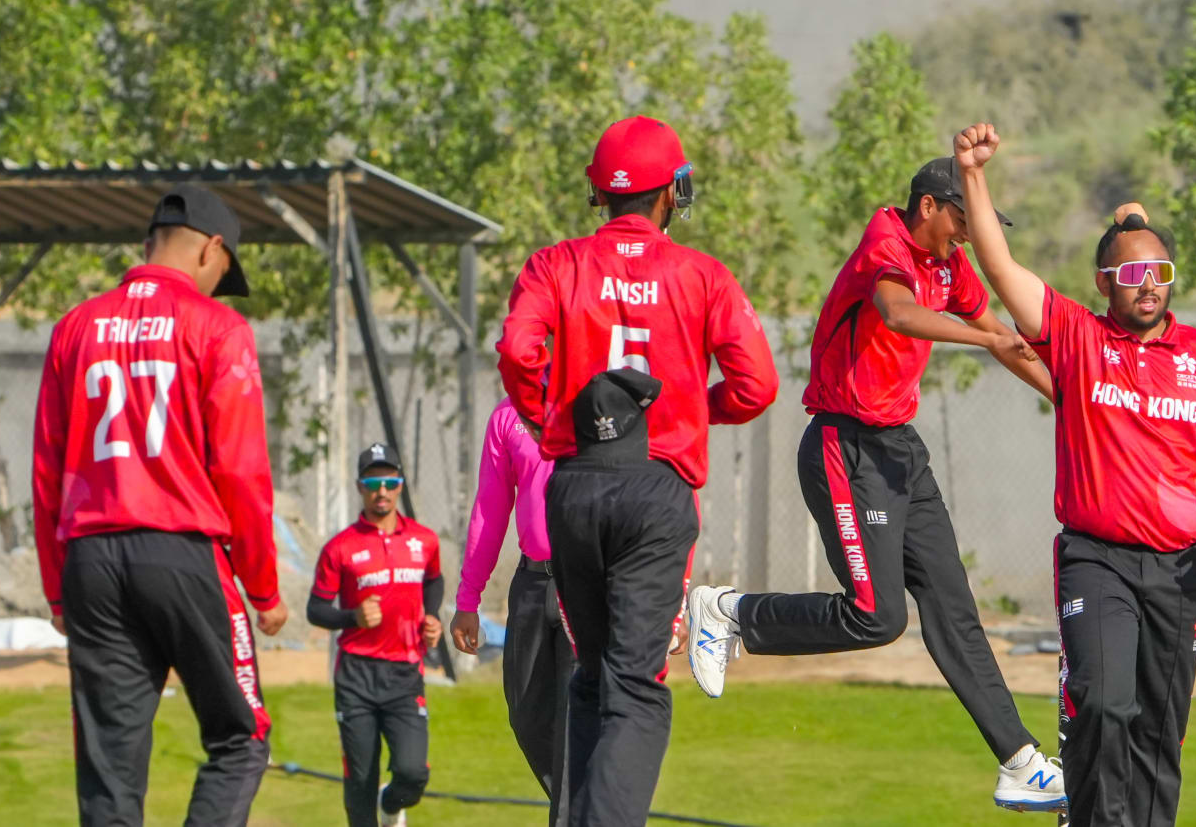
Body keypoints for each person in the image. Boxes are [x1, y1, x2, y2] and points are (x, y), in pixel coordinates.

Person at [682, 155, 1066, 812]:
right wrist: (978, 341)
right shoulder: (884, 245)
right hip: (844, 447)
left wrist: (1073, 404)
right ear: (929, 208)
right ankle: (728, 612)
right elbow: (897, 313)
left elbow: (1001, 334)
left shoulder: (949, 263)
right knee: (876, 617)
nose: (967, 236)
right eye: (962, 221)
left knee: (954, 609)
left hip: (898, 452)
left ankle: (1020, 762)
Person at [952, 123, 1196, 827]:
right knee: (1102, 703)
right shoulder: (1077, 337)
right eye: (1132, 274)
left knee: (1160, 732)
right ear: (1105, 283)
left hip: (1181, 569)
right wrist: (973, 174)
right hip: (1097, 560)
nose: (1148, 286)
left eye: (1159, 273)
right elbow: (1001, 267)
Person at [497, 114, 778, 826]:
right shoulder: (701, 274)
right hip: (654, 490)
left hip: (578, 481)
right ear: (673, 193)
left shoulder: (554, 265)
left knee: (592, 677)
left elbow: (517, 351)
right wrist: (685, 409)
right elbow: (757, 385)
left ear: (600, 193)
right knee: (637, 687)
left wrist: (549, 420)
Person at [31, 184, 286, 826]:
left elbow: (47, 469)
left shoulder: (75, 327)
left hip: (90, 558)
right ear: (212, 249)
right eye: (223, 272)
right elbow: (242, 470)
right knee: (240, 738)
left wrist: (57, 590)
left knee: (109, 769)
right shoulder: (217, 325)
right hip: (181, 551)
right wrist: (262, 587)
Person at [307, 444, 443, 827]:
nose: (381, 491)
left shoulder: (424, 540)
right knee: (360, 779)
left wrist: (431, 616)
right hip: (356, 675)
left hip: (404, 674)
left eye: (389, 482)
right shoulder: (340, 547)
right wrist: (352, 616)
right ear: (359, 487)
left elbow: (434, 579)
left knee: (413, 772)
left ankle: (391, 804)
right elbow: (315, 610)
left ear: (400, 485)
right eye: (372, 482)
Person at [450, 393, 569, 813]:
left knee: (576, 721)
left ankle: (579, 812)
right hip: (532, 583)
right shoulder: (507, 413)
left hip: (586, 584)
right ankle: (586, 807)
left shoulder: (601, 396)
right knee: (525, 714)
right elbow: (491, 507)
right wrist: (468, 599)